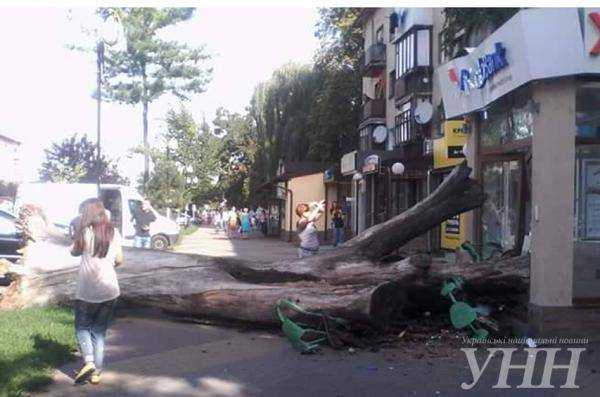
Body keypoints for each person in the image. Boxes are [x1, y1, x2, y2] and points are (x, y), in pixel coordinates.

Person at [71, 198, 123, 385]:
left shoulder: (84, 232)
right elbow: (120, 259)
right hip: (110, 290)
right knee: (99, 332)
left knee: (82, 328)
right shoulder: (113, 232)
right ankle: (96, 374)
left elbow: (74, 252)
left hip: (87, 291)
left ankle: (89, 362)